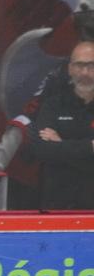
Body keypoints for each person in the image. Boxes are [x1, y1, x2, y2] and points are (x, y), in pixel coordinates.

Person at [29, 40, 94, 210]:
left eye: (91, 66)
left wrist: (61, 144)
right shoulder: (53, 105)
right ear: (70, 69)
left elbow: (55, 152)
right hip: (57, 207)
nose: (85, 73)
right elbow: (43, 151)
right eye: (79, 65)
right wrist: (90, 147)